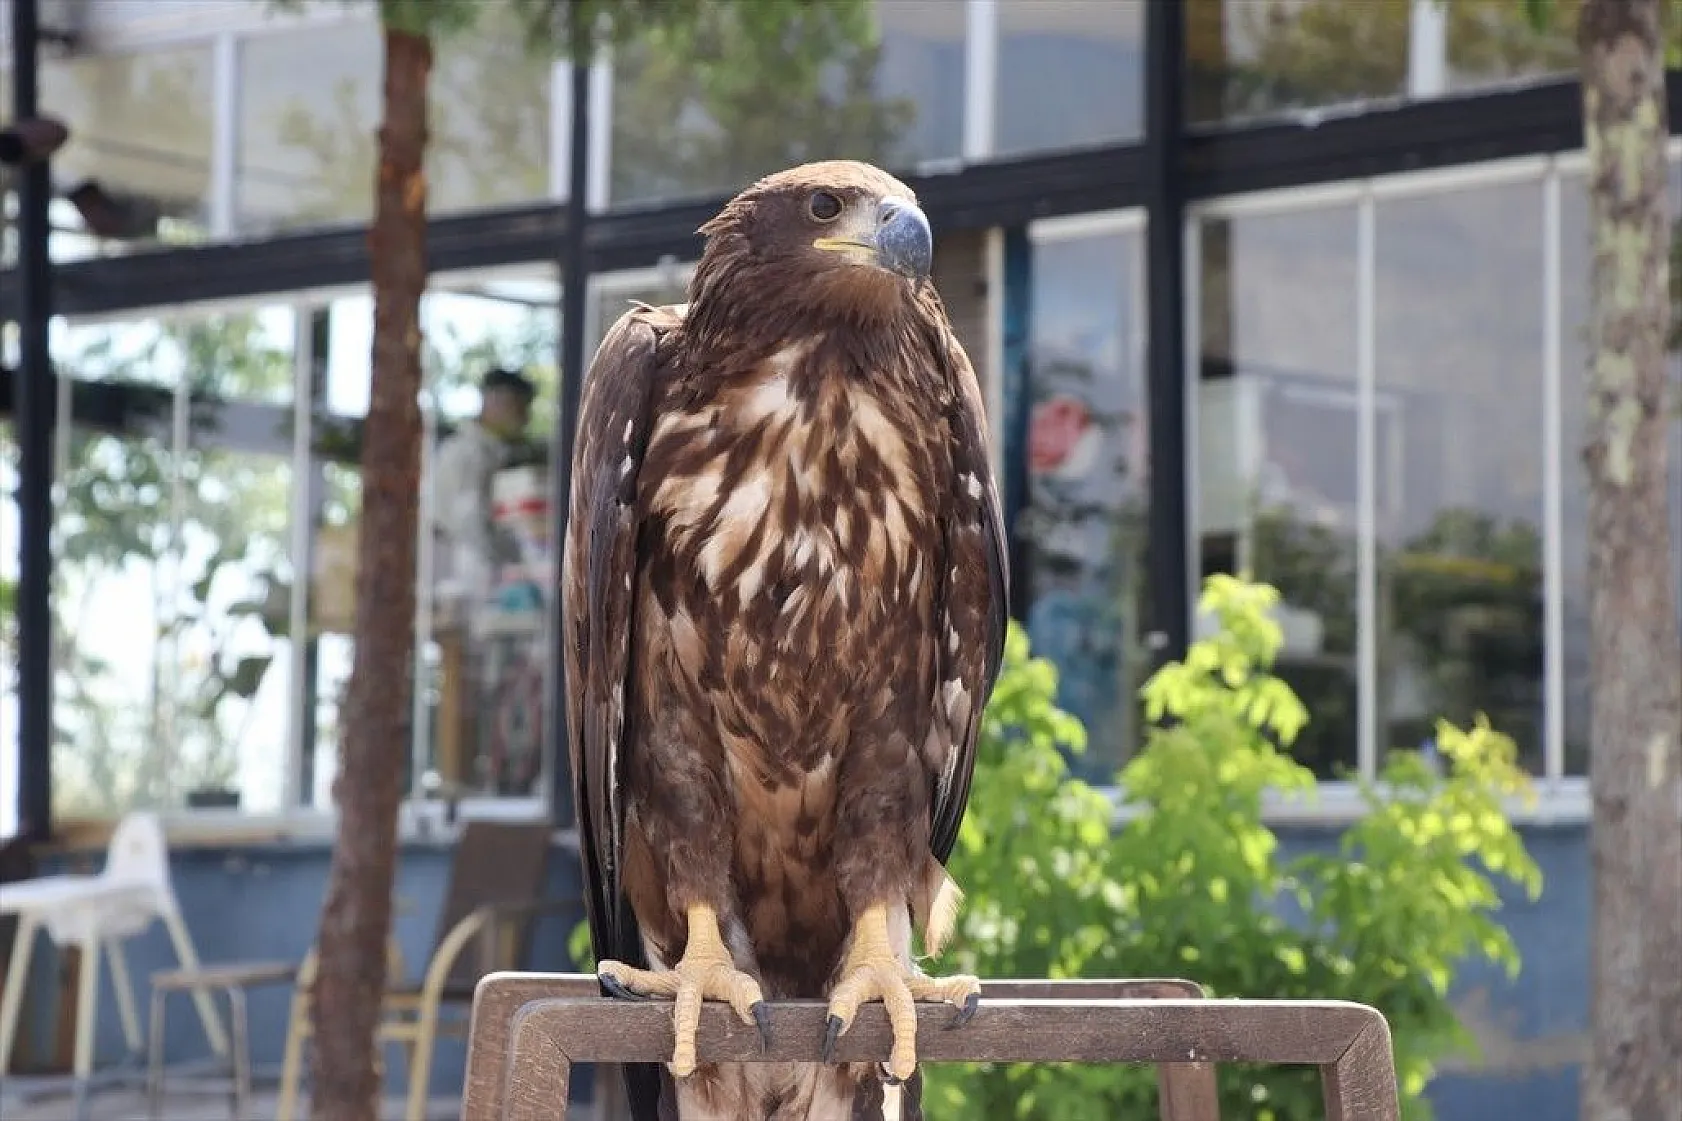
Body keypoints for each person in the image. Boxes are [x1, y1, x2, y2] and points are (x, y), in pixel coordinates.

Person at [431, 367, 538, 605]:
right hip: (469, 577)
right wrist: (514, 570)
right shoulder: (468, 453)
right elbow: (471, 525)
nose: (525, 418)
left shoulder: (501, 451)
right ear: (495, 402)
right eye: (519, 407)